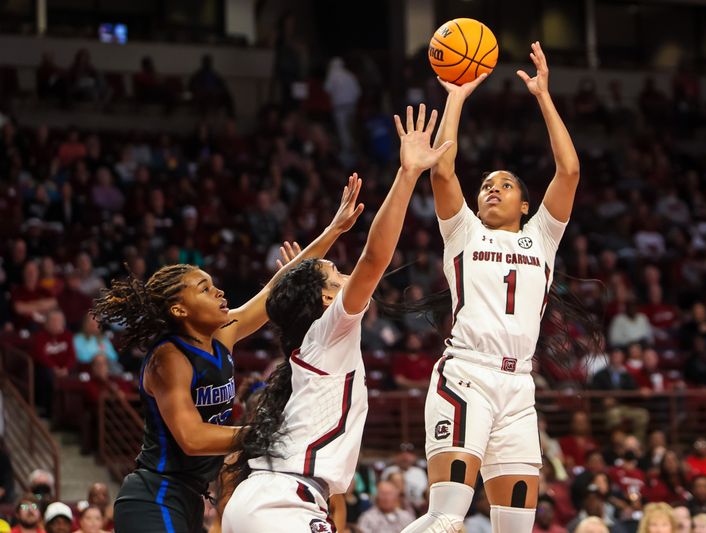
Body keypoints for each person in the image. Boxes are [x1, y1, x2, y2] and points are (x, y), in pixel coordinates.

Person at [219, 104, 454, 532]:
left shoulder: (307, 344)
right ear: (327, 300)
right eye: (336, 275)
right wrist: (407, 175)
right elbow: (374, 258)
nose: (346, 278)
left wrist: (300, 272)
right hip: (285, 504)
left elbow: (286, 294)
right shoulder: (331, 330)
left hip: (262, 500)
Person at [94, 173, 365, 533]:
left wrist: (334, 230)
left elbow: (277, 287)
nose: (219, 292)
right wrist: (264, 434)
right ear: (179, 310)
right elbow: (192, 439)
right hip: (154, 493)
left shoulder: (222, 335)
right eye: (205, 289)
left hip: (190, 497)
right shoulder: (169, 358)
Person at [404, 42, 583, 532]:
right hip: (467, 378)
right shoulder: (462, 230)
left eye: (504, 185)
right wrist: (457, 96)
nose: (491, 189)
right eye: (486, 184)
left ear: (526, 205)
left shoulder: (542, 237)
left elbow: (568, 171)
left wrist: (544, 96)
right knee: (446, 520)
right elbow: (442, 168)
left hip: (519, 387)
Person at [381, 443, 429, 514]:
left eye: (409, 454)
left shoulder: (419, 472)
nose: (405, 457)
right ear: (395, 456)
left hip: (418, 508)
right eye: (401, 454)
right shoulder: (389, 471)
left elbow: (425, 492)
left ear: (414, 457)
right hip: (397, 506)